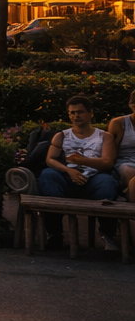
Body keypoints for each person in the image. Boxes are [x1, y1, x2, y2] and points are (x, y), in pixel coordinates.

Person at [37, 95, 118, 251]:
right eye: (72, 113)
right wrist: (69, 170)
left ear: (91, 113)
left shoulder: (104, 136)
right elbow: (50, 159)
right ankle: (54, 234)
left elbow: (108, 162)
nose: (76, 116)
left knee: (107, 183)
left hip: (93, 178)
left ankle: (108, 235)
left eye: (80, 112)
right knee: (48, 176)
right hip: (67, 177)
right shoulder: (62, 135)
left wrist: (83, 161)